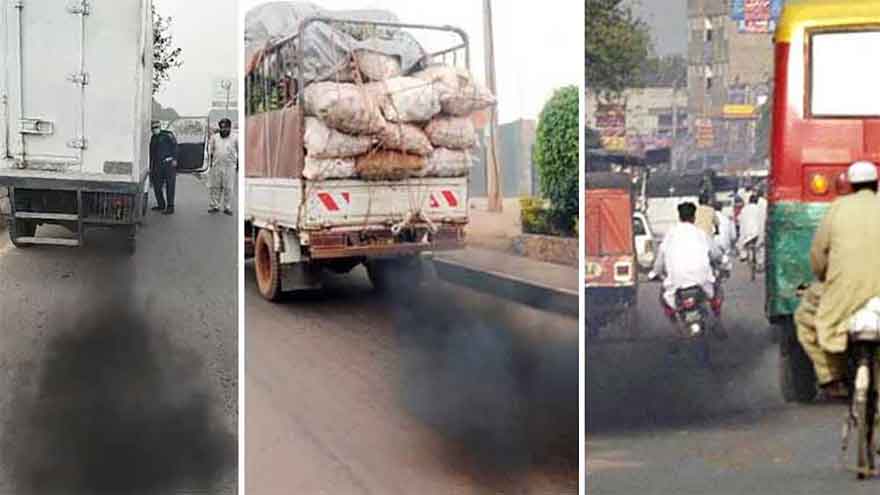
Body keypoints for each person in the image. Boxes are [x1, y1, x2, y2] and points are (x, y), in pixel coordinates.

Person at [796, 161, 880, 399]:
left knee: (804, 320)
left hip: (842, 294)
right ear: (875, 184)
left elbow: (819, 254)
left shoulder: (837, 208)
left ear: (851, 186)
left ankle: (831, 377)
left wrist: (823, 277)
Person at [651, 202, 724, 320]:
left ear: (679, 217)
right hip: (702, 280)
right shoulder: (701, 234)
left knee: (664, 299)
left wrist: (655, 272)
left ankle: (676, 327)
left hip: (676, 282)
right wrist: (723, 263)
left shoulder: (670, 235)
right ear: (694, 217)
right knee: (716, 293)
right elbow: (716, 254)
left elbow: (660, 260)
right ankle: (718, 321)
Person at [207, 118, 237, 215]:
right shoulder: (214, 138)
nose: (224, 130)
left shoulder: (235, 138)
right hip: (216, 165)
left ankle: (227, 207)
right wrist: (209, 165)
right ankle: (215, 206)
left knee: (228, 188)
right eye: (222, 127)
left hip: (229, 166)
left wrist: (239, 165)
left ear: (229, 127)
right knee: (215, 187)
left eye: (226, 128)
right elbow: (210, 151)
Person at [149, 120, 178, 215]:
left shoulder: (168, 135)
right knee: (157, 186)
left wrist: (175, 159)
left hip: (168, 164)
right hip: (157, 165)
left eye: (156, 127)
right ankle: (161, 205)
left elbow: (175, 147)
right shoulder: (153, 138)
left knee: (170, 186)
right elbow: (152, 154)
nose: (155, 129)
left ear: (160, 126)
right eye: (153, 127)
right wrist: (151, 167)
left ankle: (170, 207)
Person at [737, 193, 765, 263]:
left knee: (741, 243)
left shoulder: (744, 209)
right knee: (760, 248)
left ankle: (743, 256)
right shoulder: (759, 209)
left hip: (747, 235)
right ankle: (760, 262)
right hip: (758, 234)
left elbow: (739, 219)